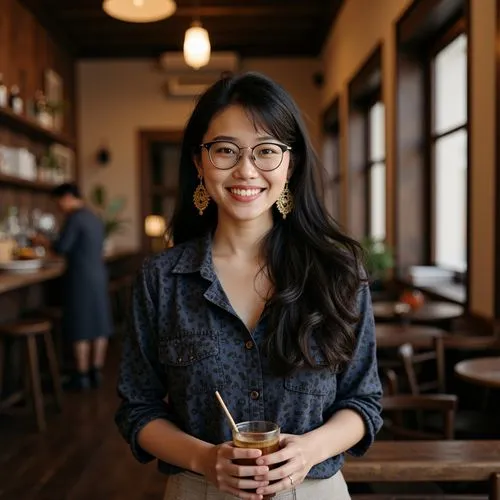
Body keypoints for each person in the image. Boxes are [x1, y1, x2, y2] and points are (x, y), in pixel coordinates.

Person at [115, 72, 382, 500]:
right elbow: (138, 408)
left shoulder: (339, 272)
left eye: (266, 151)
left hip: (315, 490)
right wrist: (205, 459)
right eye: (225, 150)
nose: (245, 169)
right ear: (200, 162)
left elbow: (363, 400)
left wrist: (310, 450)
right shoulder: (160, 279)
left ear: (290, 164)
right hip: (199, 489)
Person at [34, 183, 112, 390]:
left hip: (81, 277)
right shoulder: (94, 217)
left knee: (82, 325)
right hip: (99, 275)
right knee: (99, 323)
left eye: (58, 201)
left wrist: (43, 242)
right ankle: (96, 371)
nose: (58, 206)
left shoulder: (75, 218)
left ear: (68, 197)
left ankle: (82, 375)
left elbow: (62, 247)